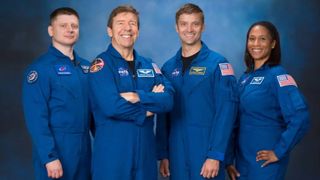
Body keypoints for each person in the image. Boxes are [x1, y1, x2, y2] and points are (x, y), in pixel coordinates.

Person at [89, 5, 174, 180]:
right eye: (120, 23)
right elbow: (111, 106)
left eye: (132, 23)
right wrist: (148, 109)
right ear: (109, 31)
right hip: (113, 155)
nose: (127, 28)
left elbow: (168, 99)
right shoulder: (101, 65)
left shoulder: (149, 65)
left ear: (138, 30)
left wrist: (138, 96)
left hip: (145, 156)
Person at [156, 3, 238, 180]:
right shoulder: (168, 68)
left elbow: (226, 113)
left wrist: (215, 155)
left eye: (195, 23)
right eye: (184, 24)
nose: (189, 29)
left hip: (205, 152)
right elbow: (163, 116)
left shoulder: (218, 65)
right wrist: (163, 154)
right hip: (176, 153)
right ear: (176, 27)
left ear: (203, 26)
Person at [225, 21, 310, 180]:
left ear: (273, 44)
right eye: (252, 39)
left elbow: (300, 116)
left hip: (265, 165)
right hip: (241, 164)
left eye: (262, 39)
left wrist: (279, 151)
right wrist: (229, 160)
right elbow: (234, 121)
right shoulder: (244, 79)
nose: (256, 44)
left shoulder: (278, 76)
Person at [22, 7, 91, 180]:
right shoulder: (40, 69)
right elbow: (36, 118)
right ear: (51, 30)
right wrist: (49, 157)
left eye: (74, 26)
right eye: (63, 25)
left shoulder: (87, 67)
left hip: (84, 147)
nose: (70, 30)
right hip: (58, 147)